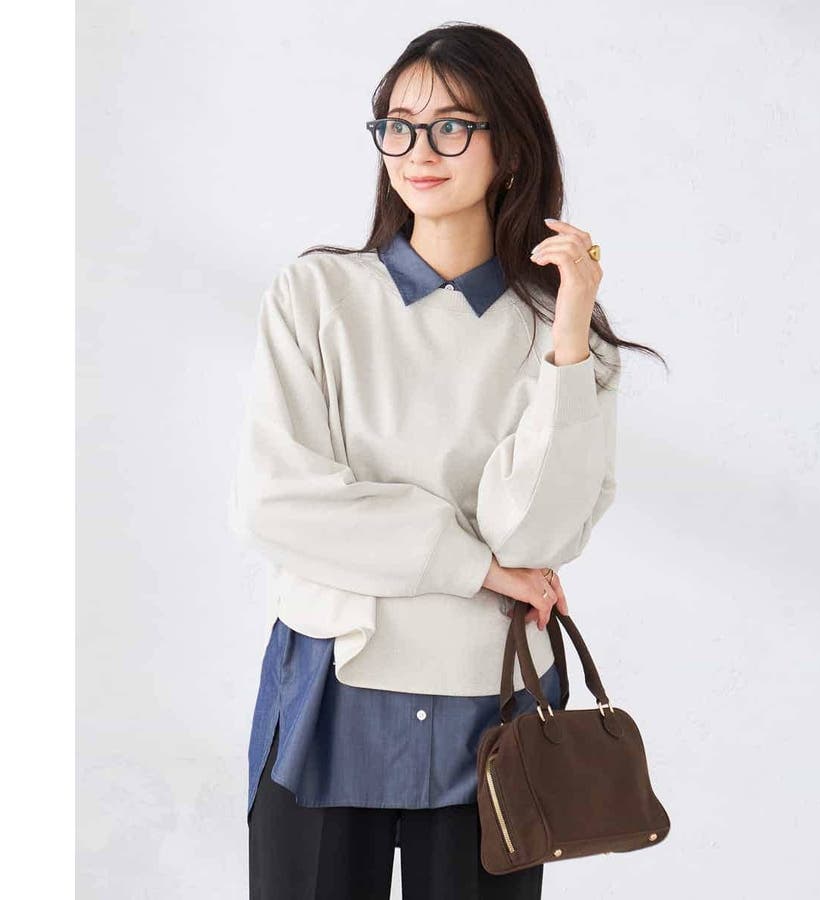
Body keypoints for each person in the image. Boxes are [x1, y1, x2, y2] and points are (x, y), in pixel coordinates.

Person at [229, 21, 661, 900]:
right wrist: (480, 568)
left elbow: (534, 533)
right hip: (331, 690)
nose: (419, 151)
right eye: (399, 125)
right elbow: (277, 505)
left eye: (452, 126)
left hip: (495, 706)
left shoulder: (566, 337)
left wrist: (568, 336)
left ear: (511, 147)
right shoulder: (316, 295)